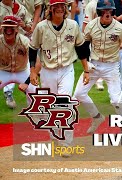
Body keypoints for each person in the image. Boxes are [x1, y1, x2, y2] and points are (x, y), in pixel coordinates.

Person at [29, 0, 90, 154]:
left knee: (64, 104)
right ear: (50, 9)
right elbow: (32, 48)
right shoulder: (41, 27)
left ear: (66, 8)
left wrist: (86, 70)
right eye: (56, 6)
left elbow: (81, 48)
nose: (60, 8)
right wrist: (32, 71)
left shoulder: (73, 25)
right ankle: (54, 135)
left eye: (62, 6)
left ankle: (66, 144)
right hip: (47, 71)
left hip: (66, 70)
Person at [73, 0, 122, 134]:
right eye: (104, 11)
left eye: (110, 10)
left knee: (116, 99)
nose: (107, 13)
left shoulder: (120, 28)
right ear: (99, 12)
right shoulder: (91, 25)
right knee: (78, 94)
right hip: (93, 64)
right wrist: (86, 65)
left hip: (111, 67)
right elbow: (83, 46)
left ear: (113, 11)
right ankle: (97, 117)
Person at [0, 0, 33, 109]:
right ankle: (8, 94)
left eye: (11, 27)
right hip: (3, 68)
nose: (9, 29)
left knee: (35, 93)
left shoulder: (21, 8)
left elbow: (36, 63)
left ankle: (36, 115)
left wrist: (27, 82)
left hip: (22, 66)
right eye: (6, 27)